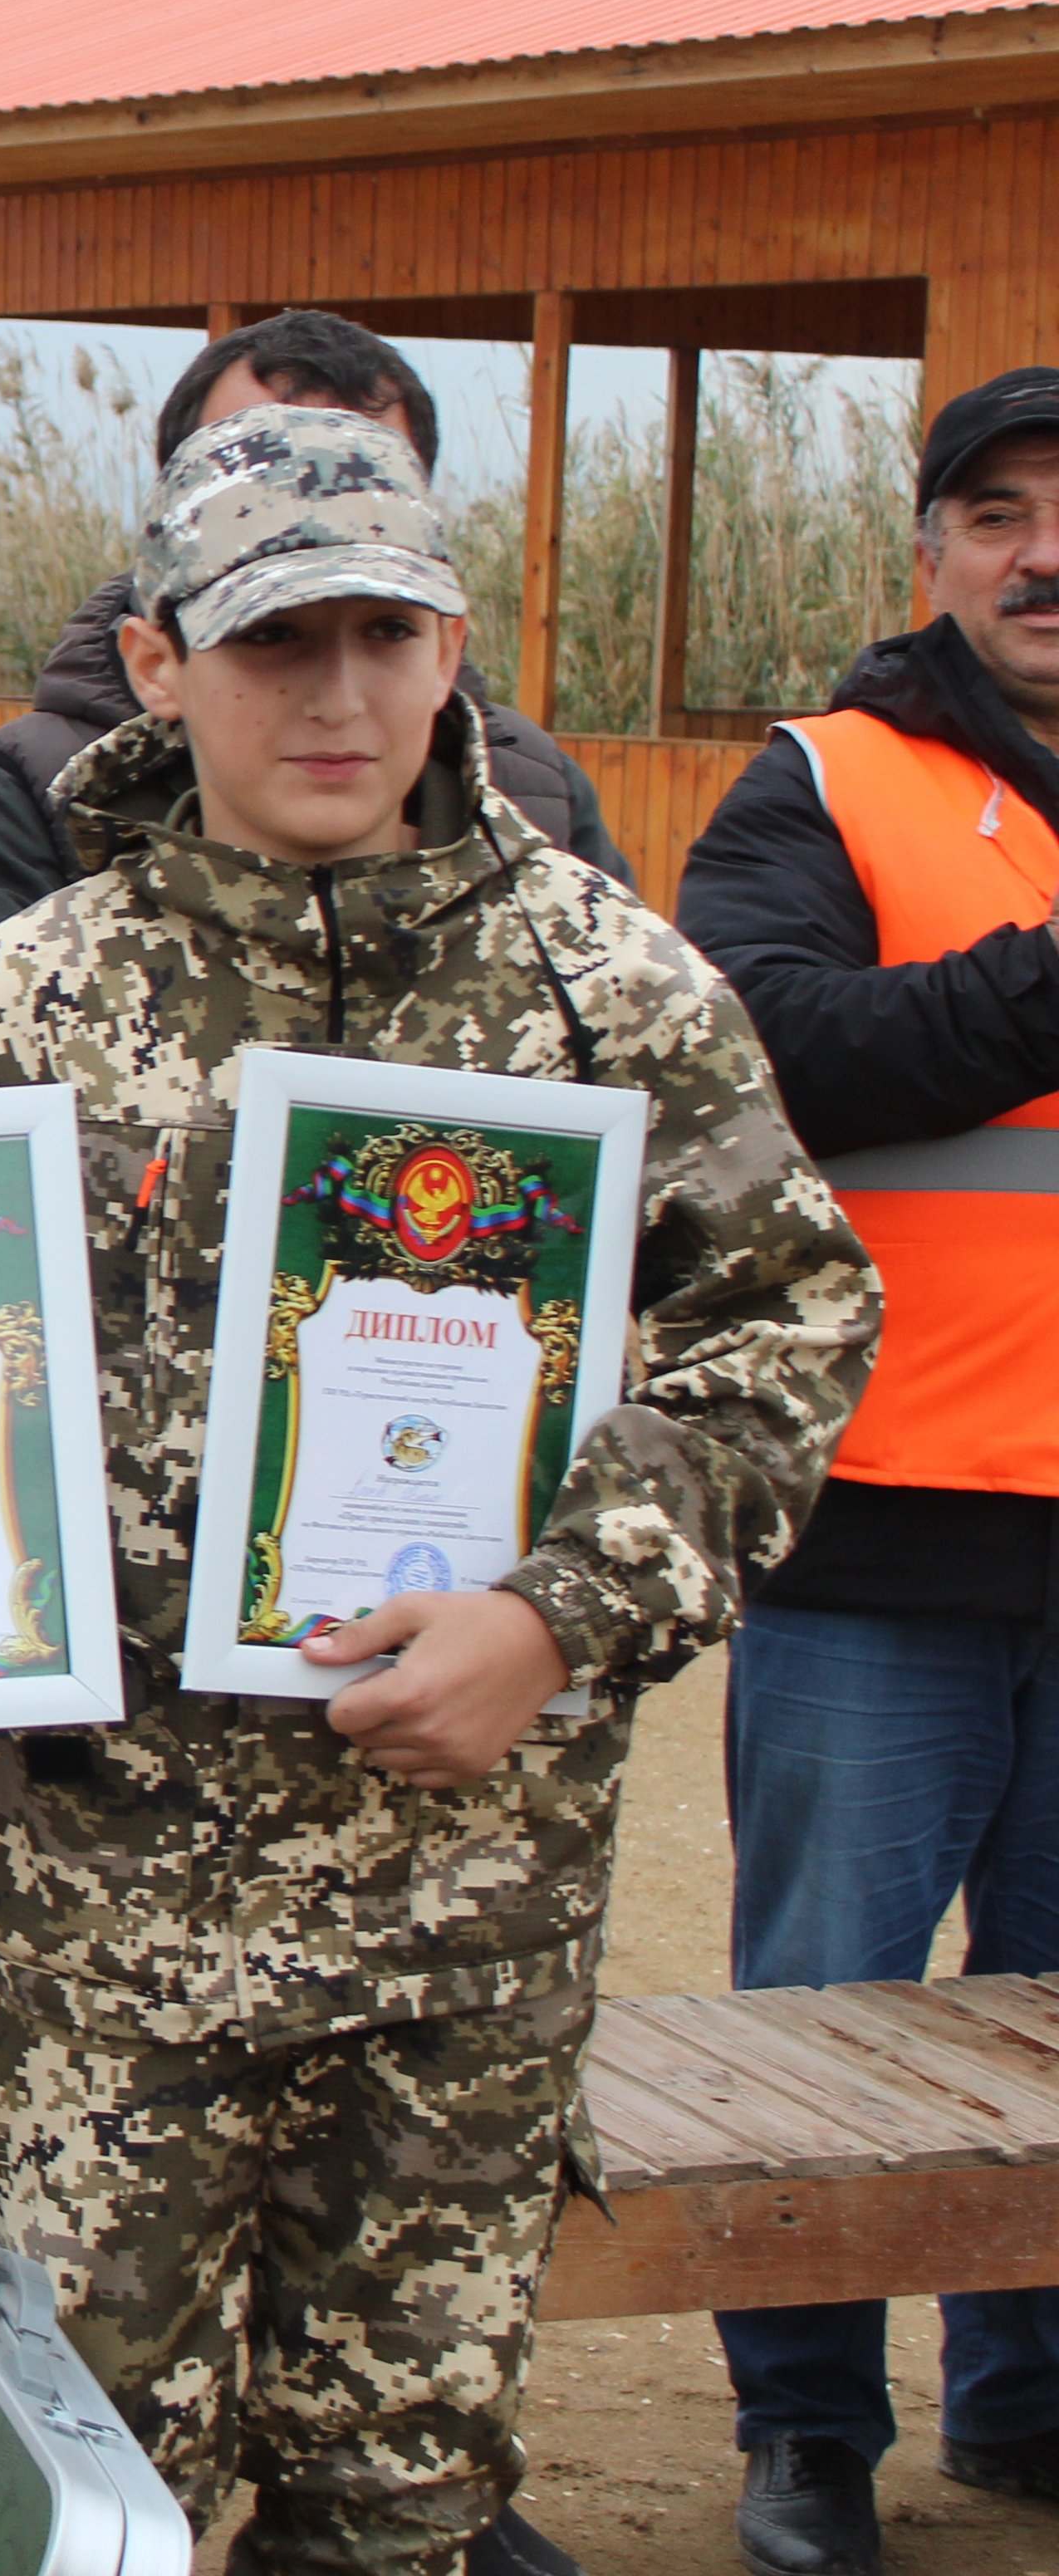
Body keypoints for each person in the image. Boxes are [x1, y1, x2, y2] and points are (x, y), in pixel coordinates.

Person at [0, 404, 868, 2574]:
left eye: (388, 635)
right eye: (279, 640)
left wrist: (558, 1613)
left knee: (402, 2506)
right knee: (81, 2490)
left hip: (469, 1933)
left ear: (452, 651)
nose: (340, 694)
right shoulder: (37, 997)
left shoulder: (609, 991)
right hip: (119, 1931)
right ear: (161, 660)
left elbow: (788, 1328)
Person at [671, 367, 1059, 2576]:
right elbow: (772, 1050)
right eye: (996, 513)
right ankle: (806, 2428)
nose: (1042, 553)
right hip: (882, 1518)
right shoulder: (824, 780)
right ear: (929, 557)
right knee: (826, 2018)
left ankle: (1029, 2405)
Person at [0, 309, 629, 1035]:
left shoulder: (554, 835)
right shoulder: (36, 854)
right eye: (251, 458)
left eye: (364, 470)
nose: (337, 700)